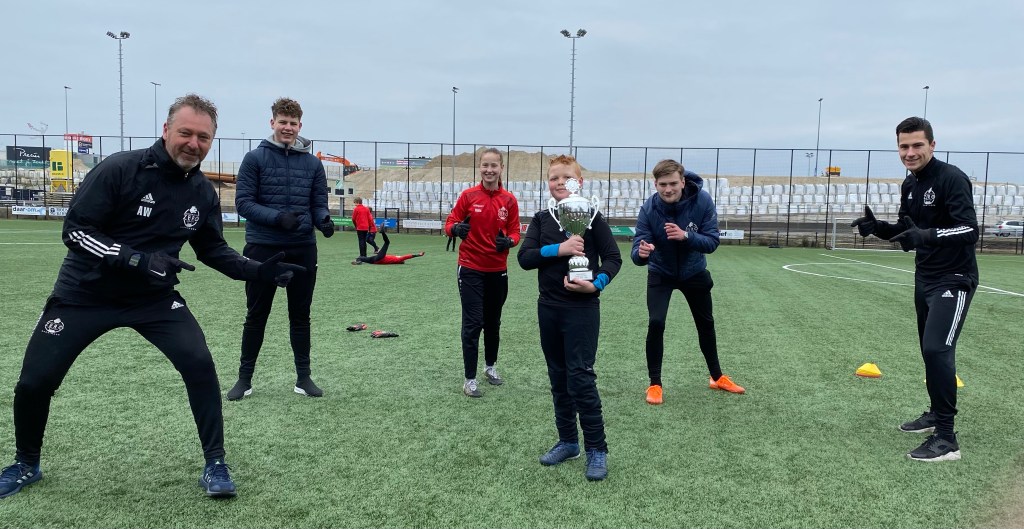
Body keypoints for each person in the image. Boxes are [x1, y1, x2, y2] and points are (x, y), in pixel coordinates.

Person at [0, 94, 304, 500]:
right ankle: (26, 464)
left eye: (203, 137)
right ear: (166, 130)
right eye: (186, 133)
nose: (193, 143)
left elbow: (212, 250)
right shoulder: (120, 169)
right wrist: (135, 259)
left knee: (199, 364)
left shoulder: (202, 192)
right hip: (84, 294)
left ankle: (215, 463)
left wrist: (256, 270)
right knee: (35, 381)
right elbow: (75, 231)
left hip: (153, 300)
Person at [851, 116, 978, 462]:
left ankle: (947, 439)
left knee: (937, 349)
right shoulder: (910, 185)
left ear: (932, 145)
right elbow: (908, 231)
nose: (910, 152)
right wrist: (878, 227)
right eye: (904, 146)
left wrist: (928, 235)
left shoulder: (952, 178)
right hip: (925, 278)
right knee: (928, 350)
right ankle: (936, 414)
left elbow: (969, 229)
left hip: (955, 278)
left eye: (917, 145)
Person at [517, 154, 621, 481]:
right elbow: (524, 258)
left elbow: (613, 258)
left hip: (582, 310)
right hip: (548, 308)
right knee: (558, 378)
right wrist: (559, 250)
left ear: (580, 183)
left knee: (580, 378)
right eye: (554, 178)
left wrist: (596, 284)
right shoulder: (542, 218)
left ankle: (597, 449)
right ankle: (568, 442)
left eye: (566, 178)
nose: (560, 183)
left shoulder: (592, 216)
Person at [229, 97, 334, 401]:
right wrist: (277, 218)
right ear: (272, 122)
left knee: (300, 316)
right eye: (283, 122)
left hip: (303, 248)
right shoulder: (254, 159)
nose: (288, 127)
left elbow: (318, 203)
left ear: (300, 125)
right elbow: (243, 203)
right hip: (263, 248)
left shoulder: (313, 164)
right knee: (256, 315)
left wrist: (323, 220)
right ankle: (244, 380)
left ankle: (303, 377)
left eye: (293, 123)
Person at [631, 159, 745, 407]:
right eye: (663, 184)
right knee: (656, 322)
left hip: (694, 271)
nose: (668, 189)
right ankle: (655, 384)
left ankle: (717, 377)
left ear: (683, 182)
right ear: (655, 184)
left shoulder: (702, 201)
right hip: (661, 272)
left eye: (673, 183)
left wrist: (686, 236)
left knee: (706, 323)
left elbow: (712, 242)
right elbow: (637, 249)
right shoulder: (649, 208)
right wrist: (641, 252)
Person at [444, 148, 521, 398]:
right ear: (479, 168)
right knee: (473, 323)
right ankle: (469, 379)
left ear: (501, 168)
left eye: (494, 165)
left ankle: (490, 367)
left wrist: (509, 242)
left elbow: (515, 232)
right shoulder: (468, 196)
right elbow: (449, 224)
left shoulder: (509, 200)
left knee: (493, 322)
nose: (489, 170)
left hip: (497, 270)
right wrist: (456, 229)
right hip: (470, 268)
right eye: (485, 165)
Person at [351, 231, 425, 265]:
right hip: (375, 261)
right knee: (361, 258)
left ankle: (383, 232)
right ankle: (358, 261)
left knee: (387, 243)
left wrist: (418, 255)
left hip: (379, 258)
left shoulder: (398, 259)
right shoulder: (395, 259)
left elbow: (407, 256)